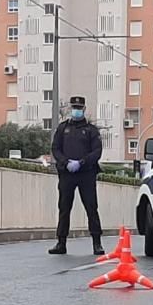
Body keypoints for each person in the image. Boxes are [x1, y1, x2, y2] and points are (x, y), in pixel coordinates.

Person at [48, 96, 105, 256]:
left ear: (84, 109)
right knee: (64, 208)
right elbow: (55, 148)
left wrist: (81, 162)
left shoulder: (91, 130)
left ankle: (97, 242)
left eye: (79, 108)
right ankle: (61, 242)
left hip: (86, 174)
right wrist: (66, 162)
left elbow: (97, 152)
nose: (77, 110)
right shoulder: (62, 128)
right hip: (67, 174)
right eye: (74, 107)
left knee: (91, 207)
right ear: (70, 108)